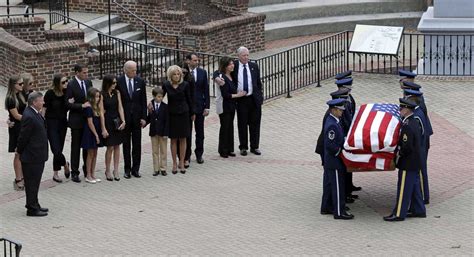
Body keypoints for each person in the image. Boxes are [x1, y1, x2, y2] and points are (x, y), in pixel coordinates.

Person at [384, 98, 426, 222]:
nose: (400, 110)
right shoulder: (413, 122)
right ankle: (419, 210)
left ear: (407, 109)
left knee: (403, 188)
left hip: (408, 163)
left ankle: (398, 214)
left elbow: (406, 147)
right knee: (414, 187)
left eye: (401, 108)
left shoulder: (408, 126)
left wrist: (398, 155)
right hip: (415, 162)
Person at [320, 98, 354, 220]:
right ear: (334, 110)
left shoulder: (335, 120)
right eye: (340, 110)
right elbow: (330, 145)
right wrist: (342, 153)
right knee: (337, 187)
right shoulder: (332, 125)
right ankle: (339, 212)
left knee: (329, 185)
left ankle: (326, 207)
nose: (342, 112)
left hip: (332, 161)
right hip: (334, 161)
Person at [16, 91, 49, 217]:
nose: (43, 102)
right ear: (34, 102)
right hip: (31, 156)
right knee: (31, 183)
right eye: (41, 100)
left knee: (35, 182)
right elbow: (23, 137)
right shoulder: (29, 116)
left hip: (38, 155)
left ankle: (35, 204)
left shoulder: (36, 113)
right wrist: (19, 152)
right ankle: (31, 208)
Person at [229, 46, 264, 156]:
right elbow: (220, 71)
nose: (246, 57)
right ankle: (243, 147)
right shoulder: (234, 66)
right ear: (238, 56)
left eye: (247, 55)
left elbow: (258, 83)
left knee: (255, 124)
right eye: (244, 55)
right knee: (242, 124)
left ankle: (255, 146)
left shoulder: (254, 66)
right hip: (241, 100)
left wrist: (260, 97)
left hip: (253, 99)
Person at [117, 60, 147, 179]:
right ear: (126, 70)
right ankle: (127, 169)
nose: (135, 72)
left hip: (136, 118)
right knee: (126, 145)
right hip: (125, 118)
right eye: (132, 70)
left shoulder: (140, 81)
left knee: (137, 144)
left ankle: (136, 169)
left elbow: (143, 101)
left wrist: (144, 117)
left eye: (136, 70)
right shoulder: (119, 82)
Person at [162, 65, 194, 174]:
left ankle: (182, 162)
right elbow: (159, 97)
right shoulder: (166, 85)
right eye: (174, 74)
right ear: (170, 75)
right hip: (172, 114)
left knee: (183, 138)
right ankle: (174, 163)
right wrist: (152, 105)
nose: (176, 76)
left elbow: (189, 99)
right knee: (174, 139)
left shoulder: (185, 85)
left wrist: (192, 113)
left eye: (178, 74)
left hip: (184, 114)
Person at [403, 89, 433, 204]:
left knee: (420, 171)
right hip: (420, 146)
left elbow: (419, 135)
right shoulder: (418, 110)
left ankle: (424, 197)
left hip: (419, 147)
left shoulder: (416, 115)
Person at [66, 64, 93, 183]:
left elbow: (91, 98)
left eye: (87, 72)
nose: (86, 75)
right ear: (77, 72)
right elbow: (67, 104)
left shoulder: (88, 83)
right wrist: (81, 105)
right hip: (76, 120)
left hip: (87, 119)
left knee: (86, 146)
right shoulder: (71, 85)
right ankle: (74, 172)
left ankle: (87, 169)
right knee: (76, 146)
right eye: (84, 73)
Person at [216, 57, 247, 158]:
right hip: (225, 106)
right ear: (225, 66)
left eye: (232, 64)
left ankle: (230, 149)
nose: (232, 66)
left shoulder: (232, 75)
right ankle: (223, 150)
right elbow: (226, 95)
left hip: (232, 106)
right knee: (225, 127)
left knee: (230, 127)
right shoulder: (222, 78)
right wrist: (238, 95)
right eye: (230, 64)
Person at [44, 74, 71, 183]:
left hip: (63, 123)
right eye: (63, 82)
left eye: (66, 81)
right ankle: (65, 164)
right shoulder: (50, 93)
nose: (66, 84)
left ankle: (55, 174)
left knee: (59, 148)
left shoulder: (67, 92)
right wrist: (41, 121)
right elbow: (44, 109)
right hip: (51, 123)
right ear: (57, 84)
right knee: (55, 149)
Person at [185, 53, 210, 164]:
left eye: (197, 60)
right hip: (187, 107)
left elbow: (206, 90)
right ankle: (187, 155)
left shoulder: (202, 72)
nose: (197, 62)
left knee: (200, 132)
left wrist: (207, 106)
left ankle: (199, 154)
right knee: (187, 132)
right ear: (188, 61)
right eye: (194, 60)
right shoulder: (183, 73)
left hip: (200, 106)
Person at [101, 75, 126, 181]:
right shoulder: (102, 94)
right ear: (108, 83)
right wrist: (103, 128)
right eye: (113, 83)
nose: (115, 85)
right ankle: (107, 169)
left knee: (117, 146)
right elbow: (101, 112)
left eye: (116, 83)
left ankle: (116, 169)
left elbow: (120, 107)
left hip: (116, 121)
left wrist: (123, 120)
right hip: (108, 121)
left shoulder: (117, 93)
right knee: (110, 147)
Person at [5, 76, 26, 190]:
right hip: (17, 128)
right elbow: (16, 116)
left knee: (22, 153)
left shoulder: (21, 95)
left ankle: (23, 176)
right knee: (18, 153)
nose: (22, 86)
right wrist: (30, 118)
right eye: (20, 84)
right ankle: (18, 178)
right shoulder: (11, 98)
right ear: (13, 85)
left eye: (22, 83)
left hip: (22, 126)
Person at [81, 88, 103, 184]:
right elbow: (90, 123)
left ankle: (93, 174)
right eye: (96, 97)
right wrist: (96, 135)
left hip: (96, 132)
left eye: (98, 97)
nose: (97, 99)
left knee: (95, 153)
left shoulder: (96, 107)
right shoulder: (89, 108)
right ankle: (88, 175)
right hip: (90, 133)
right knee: (90, 154)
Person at [147, 86, 169, 176]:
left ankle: (163, 168)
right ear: (154, 96)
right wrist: (144, 123)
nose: (160, 98)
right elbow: (149, 117)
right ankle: (156, 169)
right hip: (154, 131)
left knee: (163, 150)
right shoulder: (150, 105)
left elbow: (167, 121)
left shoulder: (165, 107)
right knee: (155, 151)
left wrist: (166, 133)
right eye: (158, 96)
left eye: (161, 97)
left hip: (162, 132)